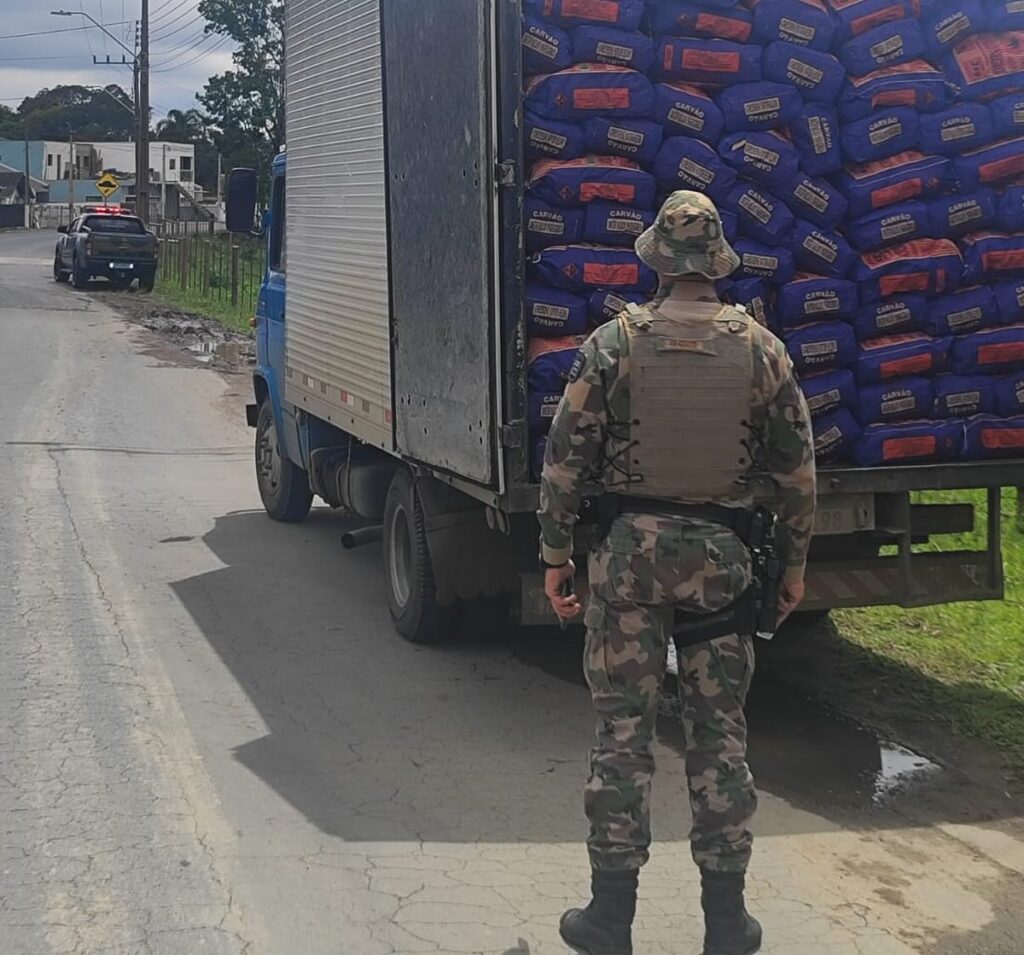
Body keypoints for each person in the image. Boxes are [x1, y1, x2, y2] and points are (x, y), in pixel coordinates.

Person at [537, 191, 817, 955]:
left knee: (622, 734)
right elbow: (797, 475)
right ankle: (726, 923)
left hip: (629, 562)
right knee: (719, 737)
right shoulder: (763, 351)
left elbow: (564, 461)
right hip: (723, 564)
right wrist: (792, 565)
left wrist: (557, 556)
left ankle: (610, 918)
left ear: (658, 261)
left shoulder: (612, 344)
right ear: (716, 264)